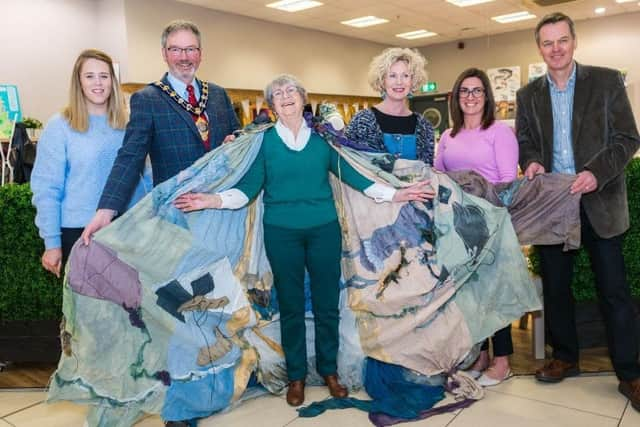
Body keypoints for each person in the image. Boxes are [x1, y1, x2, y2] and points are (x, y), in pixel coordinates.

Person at [174, 74, 435, 407]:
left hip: (323, 230)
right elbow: (248, 189)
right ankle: (295, 376)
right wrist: (211, 200)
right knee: (292, 306)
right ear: (271, 105)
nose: (285, 97)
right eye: (278, 93)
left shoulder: (324, 139)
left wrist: (397, 194)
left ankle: (329, 371)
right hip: (282, 233)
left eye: (291, 91)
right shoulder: (264, 142)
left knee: (328, 304)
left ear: (302, 98)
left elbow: (355, 178)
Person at [516, 12, 640, 410]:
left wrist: (594, 173)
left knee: (614, 292)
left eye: (562, 40)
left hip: (598, 199)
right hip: (554, 203)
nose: (556, 49)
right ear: (540, 48)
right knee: (555, 287)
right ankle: (565, 356)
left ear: (574, 41)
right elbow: (526, 140)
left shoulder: (605, 81)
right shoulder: (528, 94)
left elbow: (627, 138)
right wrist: (531, 161)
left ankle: (630, 373)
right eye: (548, 42)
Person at [81, 20, 239, 245]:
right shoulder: (148, 99)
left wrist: (237, 139)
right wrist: (106, 210)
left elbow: (240, 139)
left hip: (221, 211)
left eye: (191, 49)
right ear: (164, 53)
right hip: (176, 216)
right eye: (175, 49)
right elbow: (130, 156)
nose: (184, 57)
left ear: (200, 54)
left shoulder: (218, 95)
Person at [31, 49, 148, 278]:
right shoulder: (60, 126)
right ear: (79, 82)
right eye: (90, 76)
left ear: (113, 82)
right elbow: (47, 190)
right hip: (80, 233)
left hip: (128, 230)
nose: (98, 83)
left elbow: (144, 178)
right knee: (87, 312)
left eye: (104, 76)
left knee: (130, 310)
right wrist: (52, 243)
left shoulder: (128, 123)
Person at [435, 68, 518, 386]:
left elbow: (507, 183)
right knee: (469, 293)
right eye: (464, 91)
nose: (470, 97)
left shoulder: (499, 132)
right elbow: (438, 175)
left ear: (487, 96)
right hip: (459, 227)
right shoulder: (448, 136)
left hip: (492, 222)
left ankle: (502, 361)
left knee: (495, 293)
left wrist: (489, 216)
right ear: (456, 98)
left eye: (477, 90)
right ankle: (480, 355)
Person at [345, 47, 434, 166]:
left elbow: (428, 169)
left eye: (405, 76)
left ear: (413, 81)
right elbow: (348, 165)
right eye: (392, 75)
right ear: (382, 80)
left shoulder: (425, 127)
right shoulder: (362, 121)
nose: (399, 82)